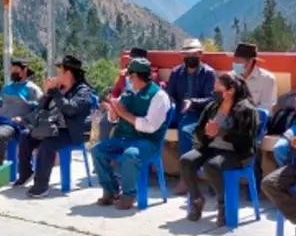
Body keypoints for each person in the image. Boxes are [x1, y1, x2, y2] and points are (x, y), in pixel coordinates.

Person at [179, 72, 259, 226]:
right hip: (211, 147)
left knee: (212, 165)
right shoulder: (212, 106)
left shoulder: (246, 110)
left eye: (218, 88)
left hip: (236, 152)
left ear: (231, 90)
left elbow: (246, 141)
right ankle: (196, 199)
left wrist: (221, 133)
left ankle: (224, 204)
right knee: (186, 160)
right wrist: (206, 132)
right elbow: (199, 130)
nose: (214, 92)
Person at [92, 58, 172, 210]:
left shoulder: (159, 96)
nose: (128, 78)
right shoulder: (128, 91)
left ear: (135, 76)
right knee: (97, 150)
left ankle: (129, 195)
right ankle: (111, 190)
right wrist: (113, 112)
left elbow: (150, 127)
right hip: (123, 137)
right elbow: (115, 117)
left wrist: (123, 113)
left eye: (130, 75)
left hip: (147, 141)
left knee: (130, 154)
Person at [17, 55, 95, 197]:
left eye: (60, 71)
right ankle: (25, 172)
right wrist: (47, 94)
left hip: (72, 132)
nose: (57, 75)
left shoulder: (83, 91)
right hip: (52, 127)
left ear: (69, 73)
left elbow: (70, 110)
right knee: (26, 136)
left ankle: (41, 184)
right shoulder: (60, 88)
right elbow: (41, 107)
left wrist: (55, 92)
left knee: (48, 142)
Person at [167, 38, 216, 194]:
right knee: (154, 125)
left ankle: (186, 177)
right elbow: (170, 94)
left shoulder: (208, 73)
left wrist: (193, 102)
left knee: (185, 131)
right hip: (178, 110)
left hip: (197, 112)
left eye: (193, 54)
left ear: (200, 55)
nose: (189, 58)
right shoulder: (176, 72)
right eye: (186, 55)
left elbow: (211, 99)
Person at [101, 47, 156, 139]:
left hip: (139, 109)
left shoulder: (151, 76)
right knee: (104, 122)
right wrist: (112, 105)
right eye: (130, 61)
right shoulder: (124, 75)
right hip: (121, 106)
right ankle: (104, 146)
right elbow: (115, 92)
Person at [233, 42, 276, 110]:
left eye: (239, 62)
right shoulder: (230, 77)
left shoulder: (267, 79)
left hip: (256, 118)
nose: (235, 65)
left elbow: (266, 107)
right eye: (235, 61)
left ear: (250, 62)